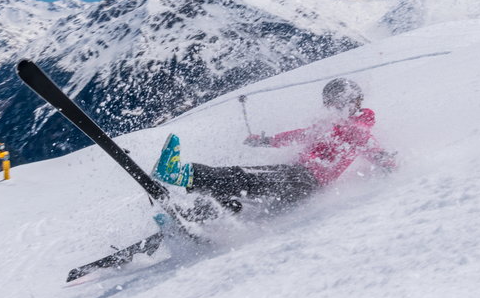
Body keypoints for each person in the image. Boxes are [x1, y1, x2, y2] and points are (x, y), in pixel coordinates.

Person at [152, 77, 396, 215]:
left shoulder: (357, 127)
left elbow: (370, 145)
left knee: (242, 177)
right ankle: (206, 216)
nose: (331, 106)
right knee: (247, 189)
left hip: (307, 180)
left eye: (337, 101)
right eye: (329, 102)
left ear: (353, 101)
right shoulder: (330, 124)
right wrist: (266, 140)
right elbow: (299, 136)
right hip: (298, 178)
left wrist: (388, 162)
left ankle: (181, 173)